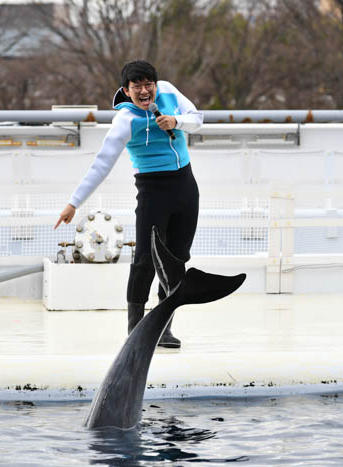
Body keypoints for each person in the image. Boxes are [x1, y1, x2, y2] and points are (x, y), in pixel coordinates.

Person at [54, 60, 203, 348]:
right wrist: (73, 203)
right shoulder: (125, 121)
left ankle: (164, 327)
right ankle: (135, 327)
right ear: (127, 90)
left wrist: (176, 122)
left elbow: (197, 118)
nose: (145, 91)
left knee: (177, 259)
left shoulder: (169, 93)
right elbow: (102, 165)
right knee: (145, 259)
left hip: (186, 186)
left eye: (150, 85)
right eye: (138, 87)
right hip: (152, 191)